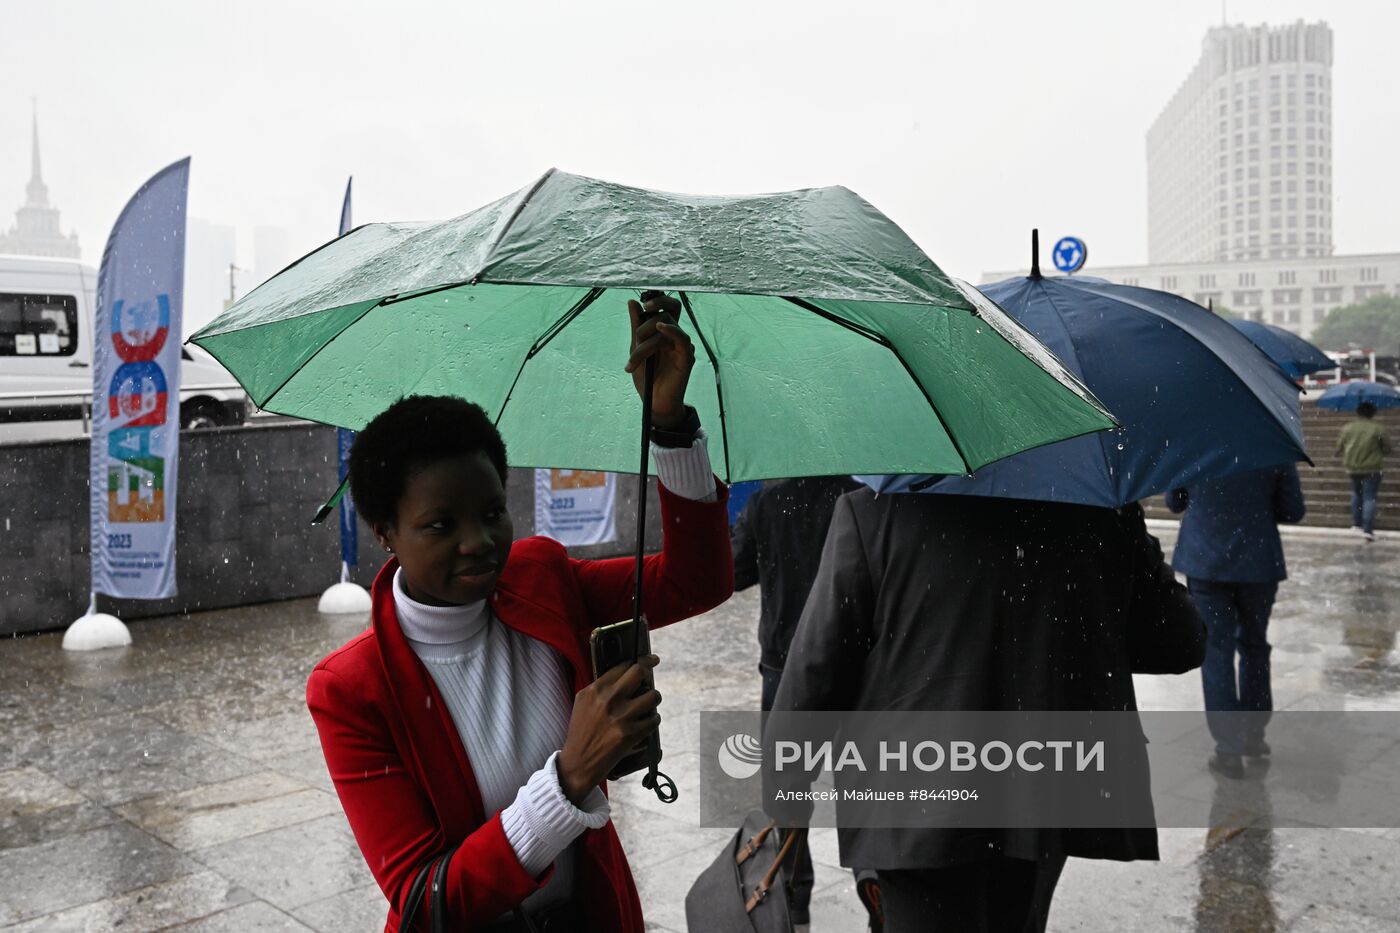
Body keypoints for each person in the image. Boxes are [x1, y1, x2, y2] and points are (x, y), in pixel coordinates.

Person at [306, 295, 733, 933]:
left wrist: (667, 423)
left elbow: (695, 582)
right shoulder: (351, 690)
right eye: (441, 524)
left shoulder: (542, 578)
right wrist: (569, 777)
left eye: (491, 512)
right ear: (385, 532)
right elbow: (427, 900)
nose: (478, 542)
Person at [770, 491, 1204, 933]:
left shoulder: (875, 511)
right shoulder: (1095, 509)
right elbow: (1180, 641)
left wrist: (787, 787)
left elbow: (817, 666)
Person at [731, 475, 859, 929]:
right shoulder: (858, 499)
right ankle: (873, 880)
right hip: (853, 668)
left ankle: (794, 891)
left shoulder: (767, 503)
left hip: (785, 669)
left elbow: (732, 571)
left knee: (788, 788)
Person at [1167, 466, 1306, 779]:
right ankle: (1254, 735)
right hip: (1257, 561)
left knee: (1216, 651)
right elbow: (1293, 510)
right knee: (1255, 646)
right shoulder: (1272, 445)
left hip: (1206, 561)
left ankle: (1228, 748)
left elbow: (1174, 502)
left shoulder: (1196, 442)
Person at [1336, 400, 1389, 541]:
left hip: (1352, 467)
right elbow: (1387, 449)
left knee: (1356, 494)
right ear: (1373, 413)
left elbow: (1339, 447)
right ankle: (1368, 529)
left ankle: (1356, 523)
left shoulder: (1348, 428)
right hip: (1372, 468)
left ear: (1357, 412)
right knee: (1369, 497)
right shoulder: (1378, 429)